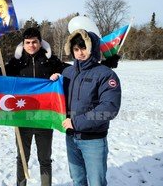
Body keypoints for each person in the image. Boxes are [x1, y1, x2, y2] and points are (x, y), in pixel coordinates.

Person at [0, 27, 69, 186]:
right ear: (23, 44)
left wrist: (60, 75)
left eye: (34, 42)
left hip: (44, 119)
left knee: (45, 159)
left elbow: (73, 71)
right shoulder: (16, 63)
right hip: (22, 118)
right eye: (28, 42)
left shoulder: (50, 61)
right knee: (22, 159)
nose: (31, 45)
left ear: (40, 43)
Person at [50, 29, 121, 186]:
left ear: (92, 49)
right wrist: (54, 83)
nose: (80, 53)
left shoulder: (105, 74)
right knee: (78, 180)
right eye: (76, 49)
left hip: (93, 140)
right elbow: (58, 99)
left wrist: (76, 122)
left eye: (84, 48)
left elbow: (109, 108)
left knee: (97, 182)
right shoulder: (67, 72)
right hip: (71, 138)